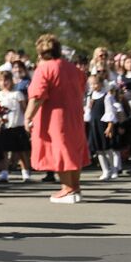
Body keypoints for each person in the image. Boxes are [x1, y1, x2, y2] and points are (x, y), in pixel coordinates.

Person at [25, 33, 90, 203]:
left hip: (55, 117)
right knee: (73, 150)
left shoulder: (45, 68)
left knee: (60, 150)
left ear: (40, 53)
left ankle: (67, 189)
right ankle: (75, 188)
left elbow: (37, 96)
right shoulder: (73, 68)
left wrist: (27, 116)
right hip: (74, 115)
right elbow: (82, 87)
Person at [0, 69, 31, 182]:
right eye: (1, 80)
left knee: (21, 151)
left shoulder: (17, 94)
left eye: (7, 80)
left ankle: (25, 173)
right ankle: (4, 173)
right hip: (5, 127)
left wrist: (27, 121)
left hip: (17, 125)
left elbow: (24, 109)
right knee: (4, 151)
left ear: (11, 81)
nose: (4, 82)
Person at [84, 73, 123, 181]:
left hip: (103, 124)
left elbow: (110, 111)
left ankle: (114, 168)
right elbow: (88, 111)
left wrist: (110, 126)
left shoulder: (107, 96)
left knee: (107, 148)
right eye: (91, 84)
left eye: (95, 84)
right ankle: (105, 170)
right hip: (94, 124)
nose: (93, 86)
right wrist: (88, 108)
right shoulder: (90, 96)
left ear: (101, 83)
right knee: (98, 150)